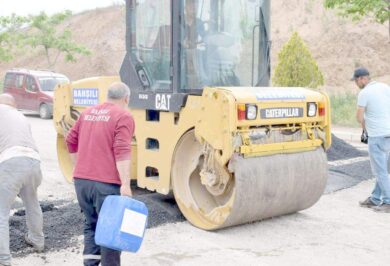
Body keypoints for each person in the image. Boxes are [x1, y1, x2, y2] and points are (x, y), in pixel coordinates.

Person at [66, 82, 135, 266]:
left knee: (91, 224)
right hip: (105, 185)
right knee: (111, 231)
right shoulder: (123, 116)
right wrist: (126, 185)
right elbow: (121, 150)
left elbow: (70, 139)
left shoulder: (87, 112)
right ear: (126, 99)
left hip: (82, 183)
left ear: (108, 96)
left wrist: (77, 167)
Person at [0, 94, 44, 266]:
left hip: (11, 161)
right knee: (32, 203)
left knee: (1, 212)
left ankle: (3, 258)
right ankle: (38, 241)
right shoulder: (21, 117)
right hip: (33, 161)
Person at [353, 67, 390, 213]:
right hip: (388, 133)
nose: (356, 84)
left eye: (356, 81)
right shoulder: (385, 87)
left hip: (377, 136)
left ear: (362, 79)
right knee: (383, 169)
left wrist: (365, 128)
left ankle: (388, 202)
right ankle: (375, 198)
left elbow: (359, 117)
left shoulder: (364, 93)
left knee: (380, 171)